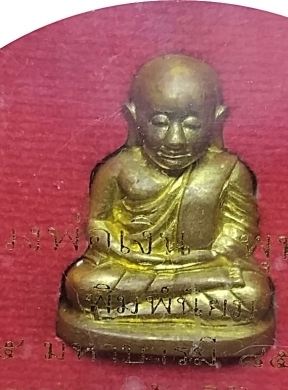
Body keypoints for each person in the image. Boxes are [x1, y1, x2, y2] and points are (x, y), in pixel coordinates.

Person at [57, 54, 275, 358]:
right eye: (159, 122)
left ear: (217, 119)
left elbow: (240, 229)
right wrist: (126, 252)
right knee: (84, 284)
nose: (175, 139)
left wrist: (212, 255)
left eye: (192, 124)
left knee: (253, 294)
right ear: (133, 117)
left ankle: (130, 310)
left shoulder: (228, 171)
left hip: (202, 265)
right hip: (137, 265)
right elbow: (99, 224)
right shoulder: (117, 168)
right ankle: (169, 300)